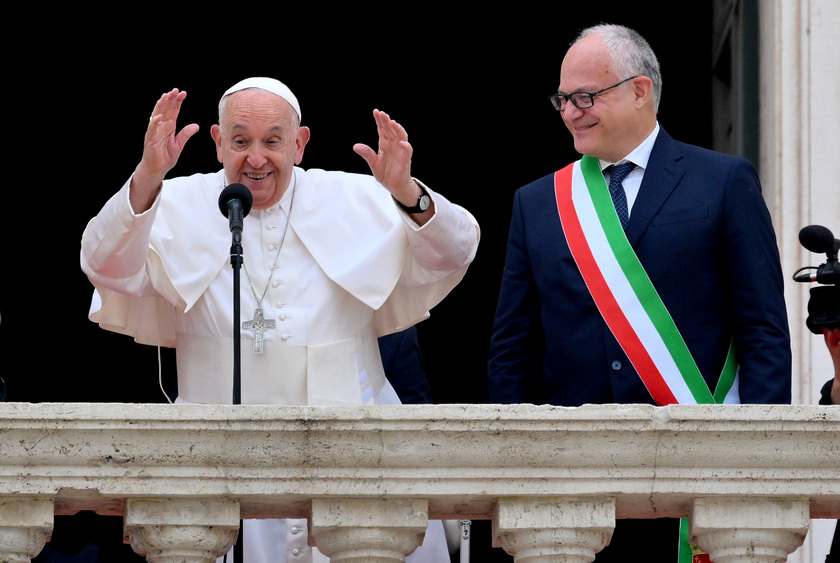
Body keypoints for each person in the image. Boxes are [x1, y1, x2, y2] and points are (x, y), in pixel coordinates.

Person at [80, 77, 479, 563]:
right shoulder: (173, 202)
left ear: (300, 142)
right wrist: (146, 175)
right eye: (241, 140)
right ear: (217, 141)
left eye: (273, 140)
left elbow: (455, 253)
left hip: (356, 451)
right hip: (216, 459)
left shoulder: (355, 196)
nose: (256, 158)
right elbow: (102, 264)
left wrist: (405, 190)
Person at [487, 24, 791, 562]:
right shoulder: (538, 203)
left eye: (585, 96)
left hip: (697, 472)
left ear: (639, 90)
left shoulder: (722, 181)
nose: (571, 111)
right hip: (574, 485)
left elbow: (763, 331)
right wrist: (517, 467)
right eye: (563, 99)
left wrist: (758, 466)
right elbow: (513, 350)